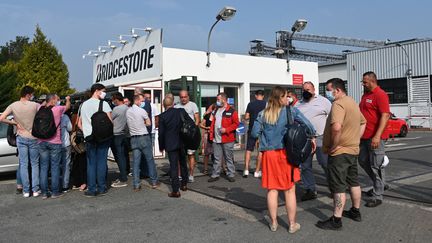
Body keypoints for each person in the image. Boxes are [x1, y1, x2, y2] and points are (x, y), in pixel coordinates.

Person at [251, 86, 316, 234]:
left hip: (269, 155)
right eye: (286, 96)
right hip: (287, 154)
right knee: (289, 190)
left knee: (272, 190)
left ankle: (274, 223)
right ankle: (292, 224)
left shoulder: (263, 114)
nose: (288, 98)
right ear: (281, 98)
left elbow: (254, 133)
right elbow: (309, 126)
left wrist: (264, 138)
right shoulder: (290, 111)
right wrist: (308, 137)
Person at [317, 78, 366, 230]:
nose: (327, 93)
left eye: (328, 90)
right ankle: (355, 211)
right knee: (354, 182)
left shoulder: (338, 104)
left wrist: (334, 145)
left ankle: (336, 220)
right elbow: (363, 122)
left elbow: (336, 128)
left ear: (337, 90)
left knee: (338, 186)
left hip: (340, 152)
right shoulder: (352, 102)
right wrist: (356, 138)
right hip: (353, 149)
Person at [0, 86, 40, 198]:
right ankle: (35, 190)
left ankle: (26, 191)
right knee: (35, 164)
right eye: (32, 95)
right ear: (28, 95)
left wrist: (14, 123)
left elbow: (1, 118)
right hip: (33, 137)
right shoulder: (35, 105)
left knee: (23, 164)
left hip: (21, 137)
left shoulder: (13, 105)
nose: (32, 97)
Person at [359, 71, 391, 207]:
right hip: (364, 136)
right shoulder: (365, 95)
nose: (363, 84)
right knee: (362, 160)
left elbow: (385, 116)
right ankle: (381, 184)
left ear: (372, 81)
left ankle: (378, 195)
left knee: (376, 165)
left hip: (375, 137)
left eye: (365, 82)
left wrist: (377, 136)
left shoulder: (380, 94)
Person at [296, 81, 332, 201]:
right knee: (305, 166)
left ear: (314, 90)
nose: (306, 92)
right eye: (304, 90)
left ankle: (334, 188)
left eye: (308, 89)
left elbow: (333, 116)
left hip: (321, 137)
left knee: (325, 164)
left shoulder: (323, 101)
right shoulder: (298, 104)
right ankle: (310, 190)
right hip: (305, 139)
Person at [78, 83, 112, 197]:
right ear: (96, 91)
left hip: (89, 137)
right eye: (103, 91)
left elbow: (79, 123)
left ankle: (92, 189)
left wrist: (86, 130)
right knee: (102, 162)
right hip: (103, 137)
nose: (104, 93)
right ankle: (102, 187)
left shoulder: (83, 105)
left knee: (91, 163)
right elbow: (110, 122)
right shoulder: (105, 104)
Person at [38, 94, 71, 199]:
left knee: (43, 167)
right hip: (55, 142)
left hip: (41, 141)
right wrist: (67, 99)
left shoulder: (40, 108)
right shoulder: (58, 109)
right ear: (53, 100)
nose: (58, 101)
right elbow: (68, 107)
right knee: (55, 167)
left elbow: (44, 104)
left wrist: (47, 101)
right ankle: (55, 192)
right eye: (57, 99)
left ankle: (44, 192)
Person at [126, 94, 159, 191]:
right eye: (141, 100)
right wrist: (142, 123)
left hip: (133, 138)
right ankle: (154, 182)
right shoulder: (142, 111)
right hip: (143, 137)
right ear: (137, 101)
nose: (142, 102)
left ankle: (136, 184)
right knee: (150, 160)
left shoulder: (128, 111)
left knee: (136, 162)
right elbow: (149, 123)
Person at [158, 96, 188, 198]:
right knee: (183, 163)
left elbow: (161, 133)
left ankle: (176, 190)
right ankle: (184, 184)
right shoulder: (181, 111)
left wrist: (161, 146)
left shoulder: (162, 116)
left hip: (170, 144)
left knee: (174, 166)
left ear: (163, 105)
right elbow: (189, 123)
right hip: (182, 142)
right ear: (173, 104)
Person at [208, 93, 239, 183]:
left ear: (224, 100)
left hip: (227, 138)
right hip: (216, 138)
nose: (217, 101)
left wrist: (227, 130)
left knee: (228, 157)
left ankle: (231, 174)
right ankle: (215, 174)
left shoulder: (232, 111)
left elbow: (236, 123)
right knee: (217, 158)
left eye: (218, 99)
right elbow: (211, 122)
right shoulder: (216, 110)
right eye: (217, 99)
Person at [174, 90, 200, 183]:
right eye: (181, 97)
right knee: (180, 155)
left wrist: (194, 132)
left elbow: (197, 119)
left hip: (190, 136)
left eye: (185, 97)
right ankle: (180, 174)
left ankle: (191, 174)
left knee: (190, 155)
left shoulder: (193, 105)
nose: (183, 99)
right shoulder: (176, 106)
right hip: (180, 135)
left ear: (188, 97)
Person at [243, 90, 266, 178]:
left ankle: (246, 170)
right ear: (263, 96)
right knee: (260, 150)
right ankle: (257, 171)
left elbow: (246, 116)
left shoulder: (250, 104)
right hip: (262, 130)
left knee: (249, 149)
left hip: (252, 128)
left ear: (256, 95)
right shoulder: (266, 104)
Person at [110, 92, 130, 188]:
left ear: (116, 99)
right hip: (124, 134)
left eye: (113, 99)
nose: (113, 101)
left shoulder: (116, 109)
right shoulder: (127, 108)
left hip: (116, 134)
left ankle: (123, 177)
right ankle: (124, 173)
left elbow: (110, 119)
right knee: (123, 155)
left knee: (119, 157)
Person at [200, 104, 216, 175]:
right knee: (207, 153)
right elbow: (201, 124)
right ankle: (205, 169)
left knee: (219, 153)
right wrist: (207, 128)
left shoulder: (220, 116)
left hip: (217, 135)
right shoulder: (208, 116)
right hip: (208, 135)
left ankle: (223, 168)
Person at [60, 110, 73, 193]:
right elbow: (70, 128)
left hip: (54, 144)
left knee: (55, 166)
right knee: (66, 165)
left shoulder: (50, 114)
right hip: (65, 143)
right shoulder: (64, 117)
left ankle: (55, 184)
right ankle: (65, 185)